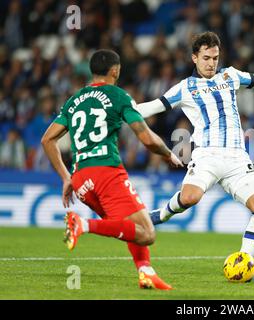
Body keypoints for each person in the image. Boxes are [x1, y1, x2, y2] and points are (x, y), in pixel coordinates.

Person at [136, 31, 254, 281]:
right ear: (194, 58)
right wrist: (120, 109)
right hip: (206, 156)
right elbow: (153, 106)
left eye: (215, 57)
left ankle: (244, 263)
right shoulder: (184, 88)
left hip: (238, 159)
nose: (211, 63)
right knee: (190, 198)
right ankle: (159, 216)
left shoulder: (230, 75)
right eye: (206, 58)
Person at [41, 49, 183, 290]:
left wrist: (66, 178)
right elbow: (147, 138)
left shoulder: (75, 100)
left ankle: (146, 272)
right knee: (147, 233)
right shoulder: (119, 96)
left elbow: (47, 140)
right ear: (115, 70)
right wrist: (168, 153)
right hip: (106, 173)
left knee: (131, 229)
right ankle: (82, 224)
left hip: (81, 181)